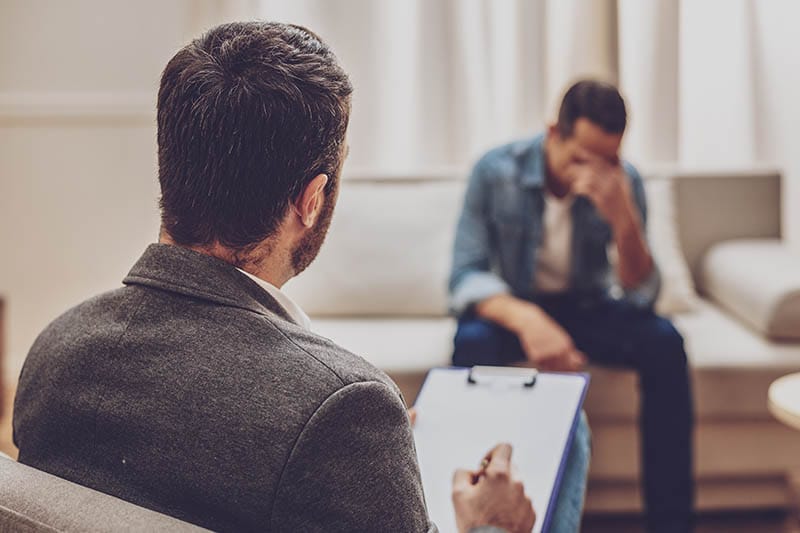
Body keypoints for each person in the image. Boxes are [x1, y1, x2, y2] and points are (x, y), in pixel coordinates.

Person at [13, 22, 587, 532]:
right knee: (570, 444)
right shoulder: (344, 406)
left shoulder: (56, 350)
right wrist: (489, 525)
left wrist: (370, 464)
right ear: (311, 200)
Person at [449, 80, 694, 533]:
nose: (595, 172)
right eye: (582, 158)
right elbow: (465, 276)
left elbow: (642, 294)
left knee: (665, 341)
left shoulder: (624, 182)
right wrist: (530, 320)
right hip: (515, 303)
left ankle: (672, 524)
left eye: (609, 160)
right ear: (552, 133)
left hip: (588, 307)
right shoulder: (495, 170)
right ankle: (469, 514)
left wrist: (624, 220)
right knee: (471, 339)